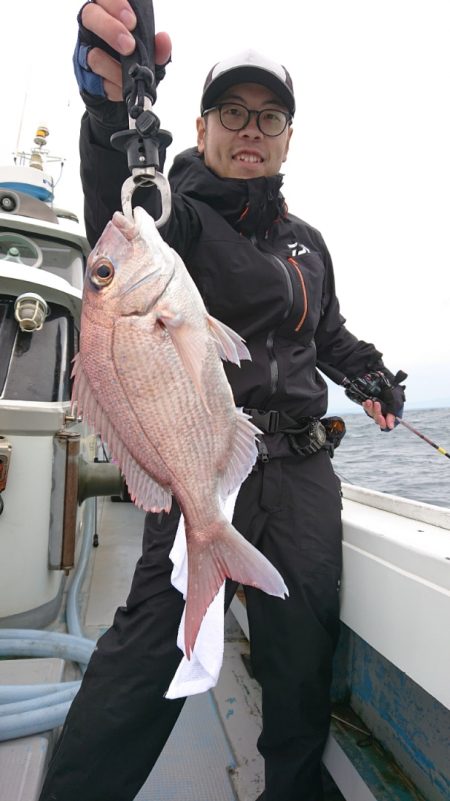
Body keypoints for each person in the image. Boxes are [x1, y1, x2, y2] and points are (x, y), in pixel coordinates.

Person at [39, 2, 406, 800]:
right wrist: (109, 108)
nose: (252, 129)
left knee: (300, 661)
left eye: (269, 116)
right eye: (233, 113)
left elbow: (328, 334)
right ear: (202, 128)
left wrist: (373, 376)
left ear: (287, 137)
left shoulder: (308, 242)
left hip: (304, 471)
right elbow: (118, 202)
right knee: (149, 651)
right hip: (206, 455)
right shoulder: (177, 223)